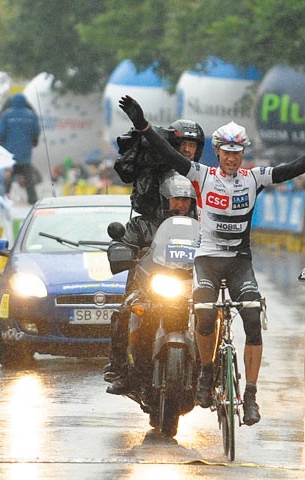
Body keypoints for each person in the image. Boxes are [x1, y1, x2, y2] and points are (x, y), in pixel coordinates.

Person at [117, 94, 305, 425]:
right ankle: (206, 373)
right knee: (204, 313)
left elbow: (296, 167)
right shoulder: (201, 175)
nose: (232, 158)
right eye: (226, 153)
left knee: (251, 318)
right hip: (207, 259)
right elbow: (167, 154)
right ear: (217, 153)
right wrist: (142, 125)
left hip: (238, 262)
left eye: (237, 153)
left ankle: (250, 394)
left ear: (242, 154)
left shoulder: (254, 179)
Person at [105, 119, 204, 394]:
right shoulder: (145, 215)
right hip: (153, 276)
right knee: (125, 310)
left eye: (192, 145)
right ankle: (122, 368)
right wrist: (124, 251)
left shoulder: (204, 182)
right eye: (182, 144)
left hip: (189, 279)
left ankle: (214, 372)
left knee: (217, 313)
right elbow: (128, 238)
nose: (187, 150)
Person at [0, 93, 40, 204]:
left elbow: (0, 132)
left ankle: (4, 198)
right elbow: (36, 132)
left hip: (9, 154)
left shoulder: (6, 115)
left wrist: (1, 145)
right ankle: (32, 200)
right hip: (25, 154)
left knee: (7, 179)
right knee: (29, 179)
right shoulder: (31, 116)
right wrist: (32, 142)